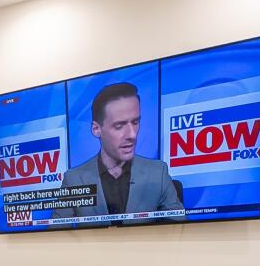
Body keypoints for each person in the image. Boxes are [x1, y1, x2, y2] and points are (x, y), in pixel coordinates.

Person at [54, 82, 184, 222]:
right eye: (119, 126)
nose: (132, 135)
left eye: (135, 122)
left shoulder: (158, 173)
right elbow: (57, 230)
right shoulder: (74, 179)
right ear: (96, 129)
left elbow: (180, 227)